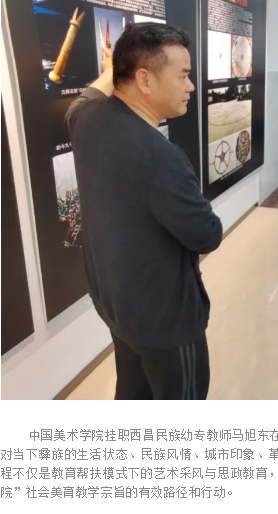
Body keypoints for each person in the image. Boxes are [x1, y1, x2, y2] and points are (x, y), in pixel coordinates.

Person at [65, 23, 223, 400]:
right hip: (167, 322)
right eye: (183, 75)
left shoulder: (85, 119)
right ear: (145, 80)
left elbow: (83, 99)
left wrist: (113, 68)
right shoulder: (163, 158)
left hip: (118, 307)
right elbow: (207, 235)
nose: (191, 86)